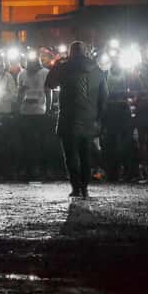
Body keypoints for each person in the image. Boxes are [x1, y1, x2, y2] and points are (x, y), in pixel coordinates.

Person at [45, 41, 106, 198]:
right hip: (90, 120)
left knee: (71, 156)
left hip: (69, 119)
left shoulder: (64, 68)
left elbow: (50, 84)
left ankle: (76, 187)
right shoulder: (98, 71)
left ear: (71, 53)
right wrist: (98, 118)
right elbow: (104, 96)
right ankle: (85, 187)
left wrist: (56, 64)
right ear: (86, 53)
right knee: (86, 155)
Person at [17, 55, 52, 180]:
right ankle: (28, 169)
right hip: (25, 112)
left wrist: (48, 108)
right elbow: (19, 93)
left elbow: (48, 92)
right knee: (27, 143)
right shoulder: (22, 74)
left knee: (42, 142)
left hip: (40, 113)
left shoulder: (45, 73)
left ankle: (43, 169)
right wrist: (18, 107)